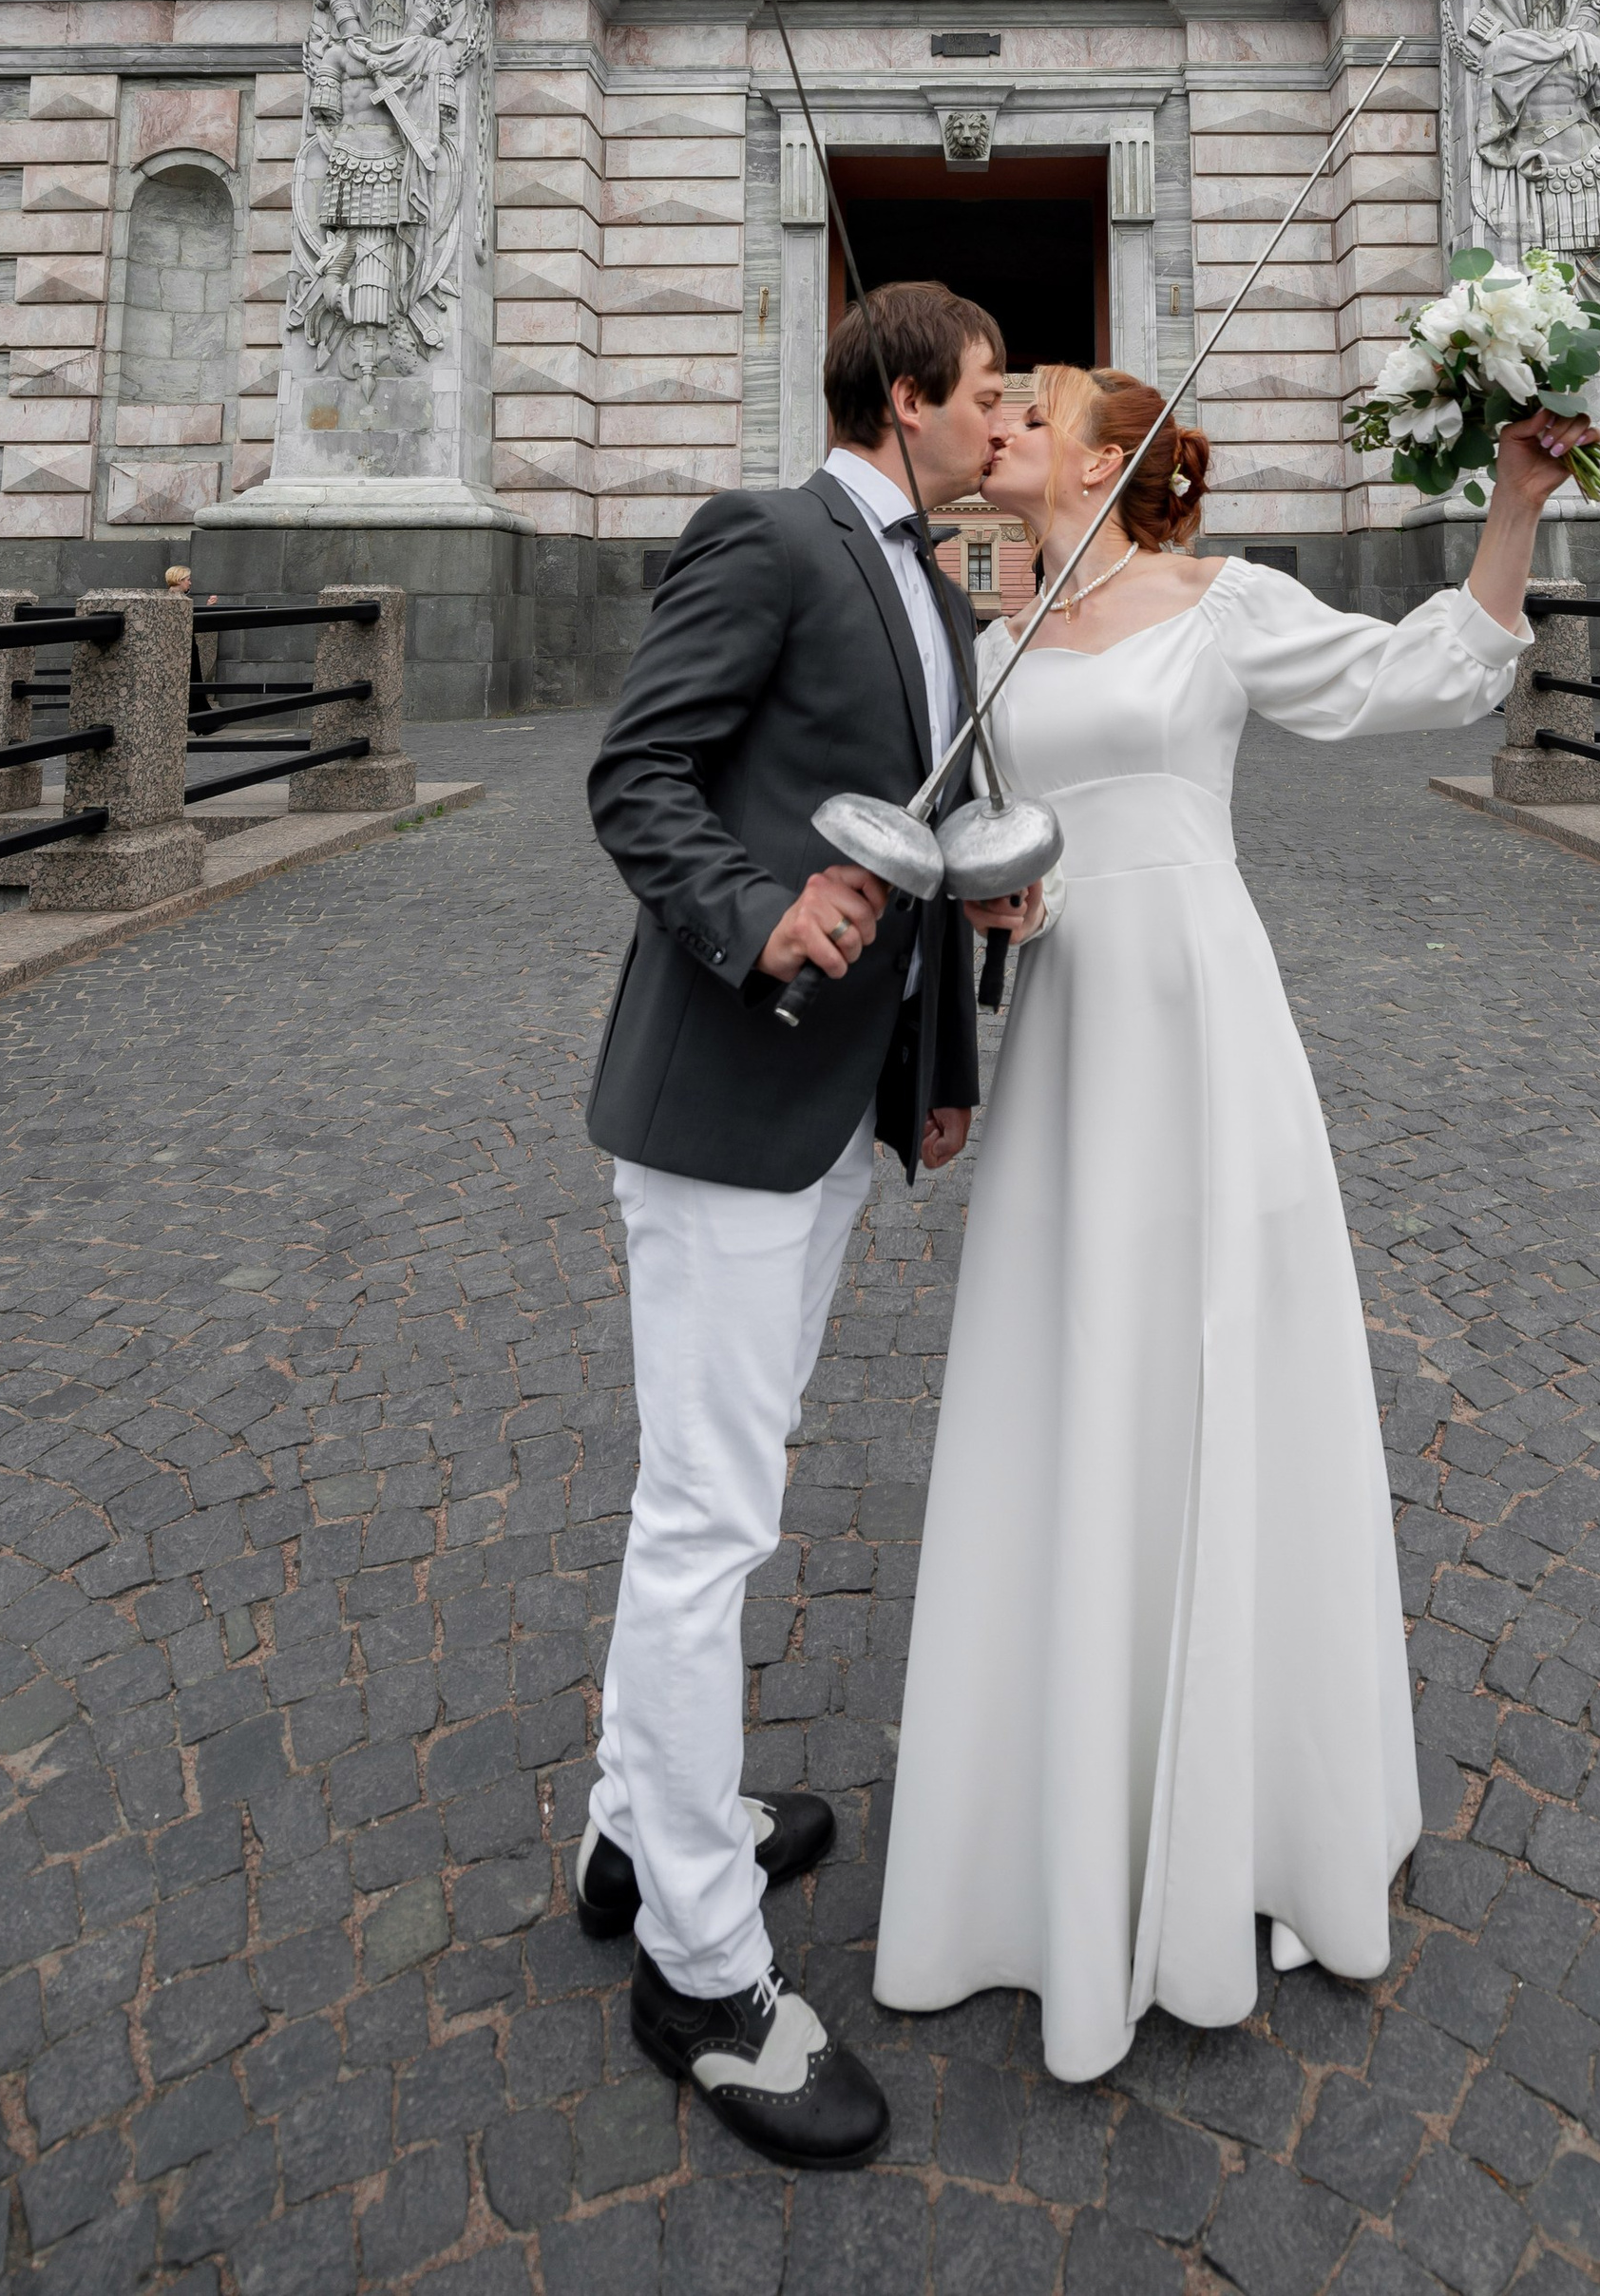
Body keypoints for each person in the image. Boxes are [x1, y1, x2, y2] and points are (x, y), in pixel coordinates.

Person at [874, 364, 1592, 2081]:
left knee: (1217, 1363)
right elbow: (975, 835)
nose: (1009, 432)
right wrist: (996, 885)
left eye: (1039, 412)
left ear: (1116, 458)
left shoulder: (1222, 600)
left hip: (1202, 1014)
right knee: (1076, 1384)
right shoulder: (987, 647)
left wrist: (1510, 511)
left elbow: (1418, 673)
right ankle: (1053, 1832)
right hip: (1066, 1026)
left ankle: (1252, 1819)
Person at [580, 279, 1008, 2167]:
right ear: (904, 397)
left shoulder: (943, 584)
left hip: (831, 1109)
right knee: (707, 1518)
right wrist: (756, 913)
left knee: (713, 1484)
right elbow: (635, 772)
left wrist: (938, 1056)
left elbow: (909, 850)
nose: (1007, 423)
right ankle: (698, 1966)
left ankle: (631, 1818)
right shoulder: (767, 537)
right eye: (987, 394)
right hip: (722, 1096)